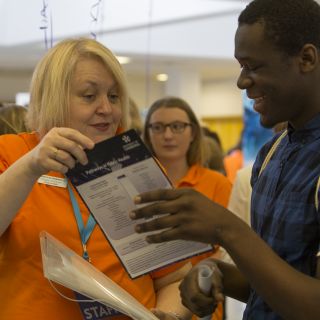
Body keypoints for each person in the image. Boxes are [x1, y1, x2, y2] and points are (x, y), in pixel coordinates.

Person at [129, 0, 320, 319]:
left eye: (254, 67)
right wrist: (214, 272)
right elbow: (271, 284)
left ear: (306, 59)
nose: (242, 81)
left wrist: (226, 229)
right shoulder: (272, 152)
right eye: (241, 66)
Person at [0, 38, 193, 320]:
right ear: (52, 96)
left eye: (114, 97)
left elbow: (174, 278)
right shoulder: (13, 154)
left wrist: (169, 316)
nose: (107, 109)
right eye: (89, 96)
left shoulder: (137, 167)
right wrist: (31, 166)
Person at [143, 96, 232, 320]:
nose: (168, 135)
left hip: (204, 303)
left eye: (177, 126)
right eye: (158, 127)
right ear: (147, 133)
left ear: (192, 132)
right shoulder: (137, 185)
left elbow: (230, 250)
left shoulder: (217, 184)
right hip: (148, 301)